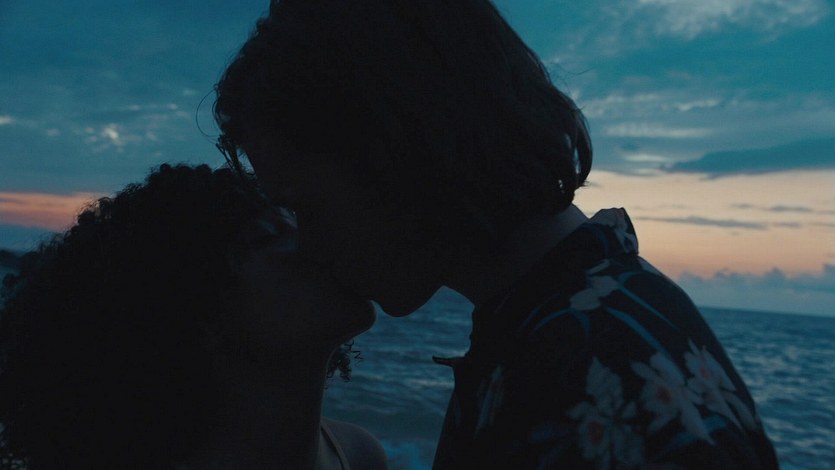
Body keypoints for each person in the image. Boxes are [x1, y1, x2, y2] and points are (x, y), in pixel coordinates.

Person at [212, 0, 779, 468]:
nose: (310, 246)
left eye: (310, 207)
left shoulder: (585, 378)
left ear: (395, 149)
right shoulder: (579, 325)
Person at [0, 164, 388, 470]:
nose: (312, 240)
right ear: (195, 316)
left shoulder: (359, 454)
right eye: (268, 238)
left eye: (294, 221)